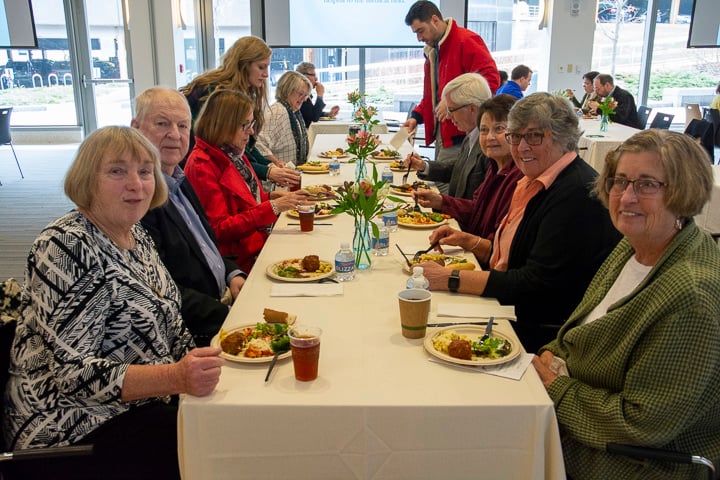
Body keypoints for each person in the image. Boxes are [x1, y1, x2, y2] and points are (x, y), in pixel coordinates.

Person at [2, 126, 222, 480]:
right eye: (117, 171)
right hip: (71, 429)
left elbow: (172, 324)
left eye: (145, 171)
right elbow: (73, 376)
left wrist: (213, 361)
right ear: (88, 179)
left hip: (145, 402)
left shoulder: (137, 236)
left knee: (235, 412)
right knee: (219, 444)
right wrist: (176, 377)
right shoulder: (65, 247)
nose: (136, 184)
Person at [533, 129, 720, 479]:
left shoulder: (691, 296)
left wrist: (556, 388)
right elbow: (581, 331)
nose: (626, 197)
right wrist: (548, 356)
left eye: (647, 184)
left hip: (637, 462)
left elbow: (641, 424)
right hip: (582, 418)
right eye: (620, 181)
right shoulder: (632, 245)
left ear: (684, 190)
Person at [420, 93, 622, 353]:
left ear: (563, 136)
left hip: (537, 333)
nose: (521, 147)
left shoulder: (577, 193)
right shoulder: (536, 180)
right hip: (510, 307)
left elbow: (534, 285)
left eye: (534, 136)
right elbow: (516, 257)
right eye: (515, 136)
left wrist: (450, 278)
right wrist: (469, 241)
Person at [133, 87, 246, 347]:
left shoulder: (179, 179)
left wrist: (232, 274)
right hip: (194, 332)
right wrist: (230, 315)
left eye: (183, 125)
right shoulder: (138, 199)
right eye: (162, 124)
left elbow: (205, 248)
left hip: (223, 298)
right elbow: (160, 290)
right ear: (135, 128)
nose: (175, 134)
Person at [184, 89, 309, 273]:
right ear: (223, 125)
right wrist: (273, 207)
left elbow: (246, 202)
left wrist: (271, 197)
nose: (251, 131)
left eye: (251, 123)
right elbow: (218, 229)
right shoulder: (202, 165)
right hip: (240, 261)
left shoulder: (232, 152)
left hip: (257, 244)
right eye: (245, 125)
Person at [402, 0, 500, 194]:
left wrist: (452, 102)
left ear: (435, 20)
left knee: (451, 189)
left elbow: (490, 81)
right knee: (440, 184)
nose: (419, 38)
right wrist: (416, 117)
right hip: (443, 132)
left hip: (460, 133)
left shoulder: (466, 40)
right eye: (416, 33)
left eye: (421, 31)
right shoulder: (433, 51)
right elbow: (432, 96)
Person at [179, 36, 300, 189]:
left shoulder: (239, 91)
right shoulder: (217, 93)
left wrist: (269, 165)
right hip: (201, 172)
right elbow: (226, 152)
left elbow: (246, 145)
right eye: (261, 67)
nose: (266, 74)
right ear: (244, 65)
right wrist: (267, 171)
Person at [418, 94, 523, 246]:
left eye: (499, 129)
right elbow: (477, 208)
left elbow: (500, 247)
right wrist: (440, 201)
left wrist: (466, 240)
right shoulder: (495, 167)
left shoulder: (519, 177)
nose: (490, 137)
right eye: (484, 130)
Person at [402, 73, 492, 199]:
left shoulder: (490, 146)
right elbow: (458, 170)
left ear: (472, 109)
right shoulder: (471, 136)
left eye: (451, 109)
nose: (448, 116)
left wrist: (442, 202)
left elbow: (480, 204)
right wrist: (424, 166)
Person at [256, 71, 312, 166]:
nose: (304, 99)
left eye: (306, 95)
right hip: (281, 173)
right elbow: (259, 144)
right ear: (287, 91)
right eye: (301, 94)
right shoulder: (278, 112)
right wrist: (277, 163)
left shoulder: (293, 111)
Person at [295, 62, 340, 127]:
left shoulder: (306, 93)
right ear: (304, 77)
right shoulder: (300, 94)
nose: (316, 79)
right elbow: (313, 118)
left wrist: (328, 114)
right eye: (313, 75)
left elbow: (310, 113)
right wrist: (320, 95)